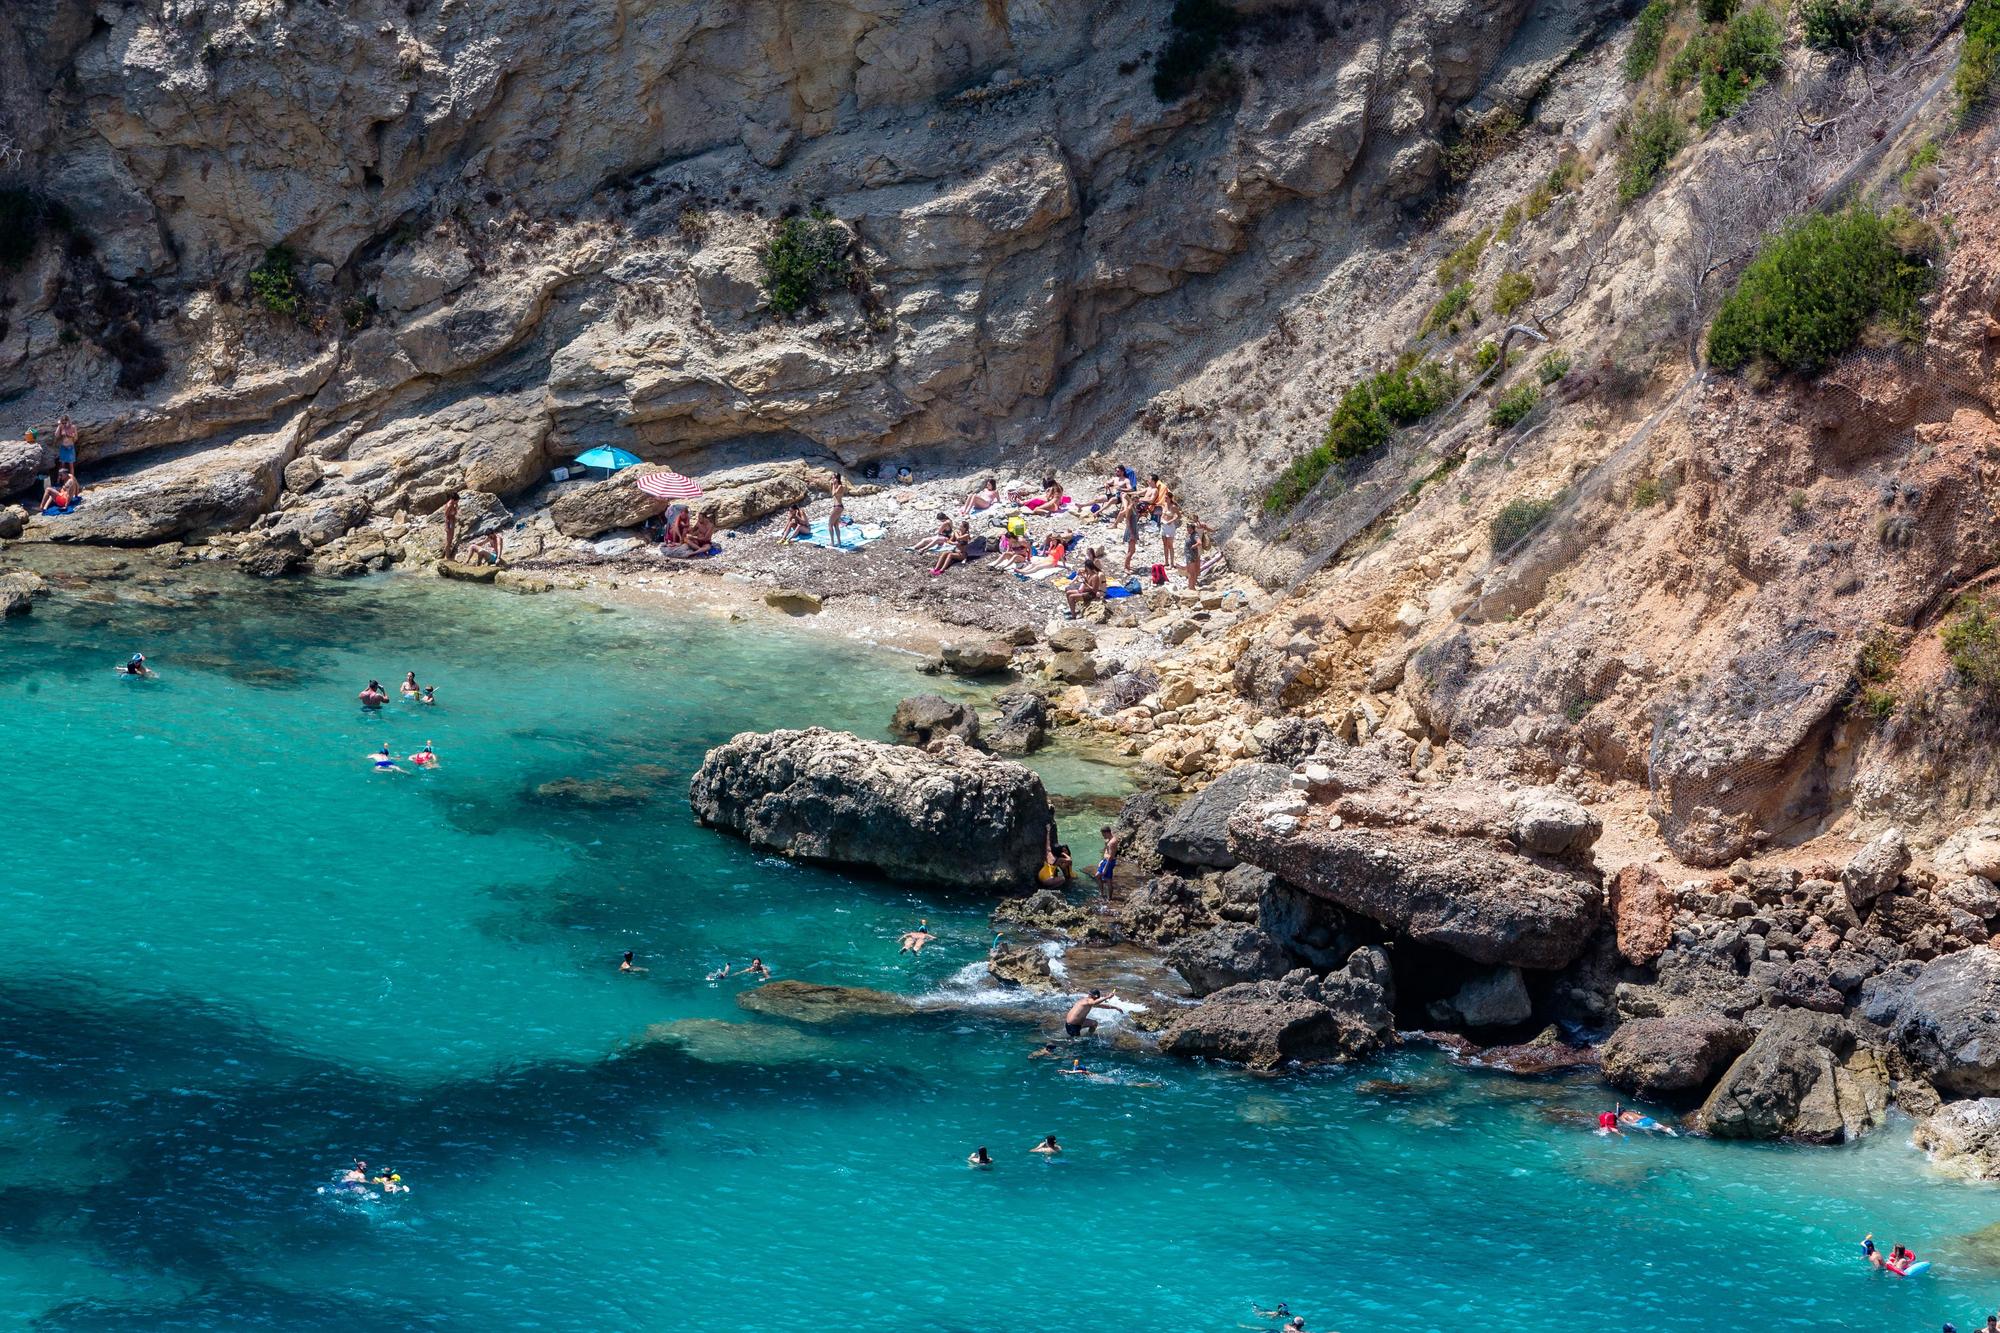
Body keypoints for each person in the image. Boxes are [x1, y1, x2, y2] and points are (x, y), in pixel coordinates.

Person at [1092, 826, 1120, 893]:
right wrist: (1102, 860)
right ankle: (1101, 893)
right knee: (1097, 876)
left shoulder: (1112, 842)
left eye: (1103, 834)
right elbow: (1106, 851)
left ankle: (1109, 898)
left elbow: (1111, 856)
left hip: (1109, 862)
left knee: (1108, 880)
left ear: (1107, 833)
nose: (1103, 836)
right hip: (1105, 861)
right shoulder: (1108, 840)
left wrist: (1105, 867)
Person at [54, 413, 79, 483]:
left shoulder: (73, 427)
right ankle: (59, 481)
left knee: (71, 465)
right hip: (63, 448)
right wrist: (59, 426)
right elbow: (56, 435)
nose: (64, 424)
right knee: (62, 465)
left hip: (70, 448)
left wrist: (70, 435)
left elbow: (76, 438)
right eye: (63, 423)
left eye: (65, 422)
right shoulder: (62, 427)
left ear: (69, 421)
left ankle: (72, 481)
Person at [440, 494, 460, 560]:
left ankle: (446, 554)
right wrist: (447, 526)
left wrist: (456, 506)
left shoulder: (452, 504)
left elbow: (455, 513)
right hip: (449, 523)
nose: (458, 502)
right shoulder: (449, 505)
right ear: (454, 500)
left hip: (452, 521)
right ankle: (447, 556)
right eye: (457, 500)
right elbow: (446, 515)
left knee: (450, 539)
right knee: (449, 540)